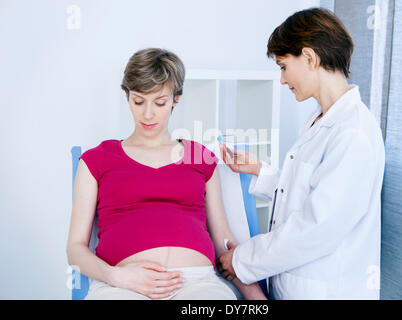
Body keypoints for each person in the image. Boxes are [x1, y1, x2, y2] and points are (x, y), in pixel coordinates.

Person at [66, 48, 266, 300]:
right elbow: (75, 248)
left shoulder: (200, 156)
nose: (148, 114)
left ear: (176, 99)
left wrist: (255, 296)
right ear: (126, 96)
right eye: (138, 101)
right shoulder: (97, 159)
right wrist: (116, 276)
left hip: (198, 285)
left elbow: (224, 242)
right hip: (122, 285)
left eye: (159, 102)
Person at [217, 7, 386, 300]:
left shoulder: (354, 133)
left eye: (284, 66)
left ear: (309, 57)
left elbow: (317, 227)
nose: (282, 79)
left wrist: (242, 261)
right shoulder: (320, 119)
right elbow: (309, 193)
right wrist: (262, 172)